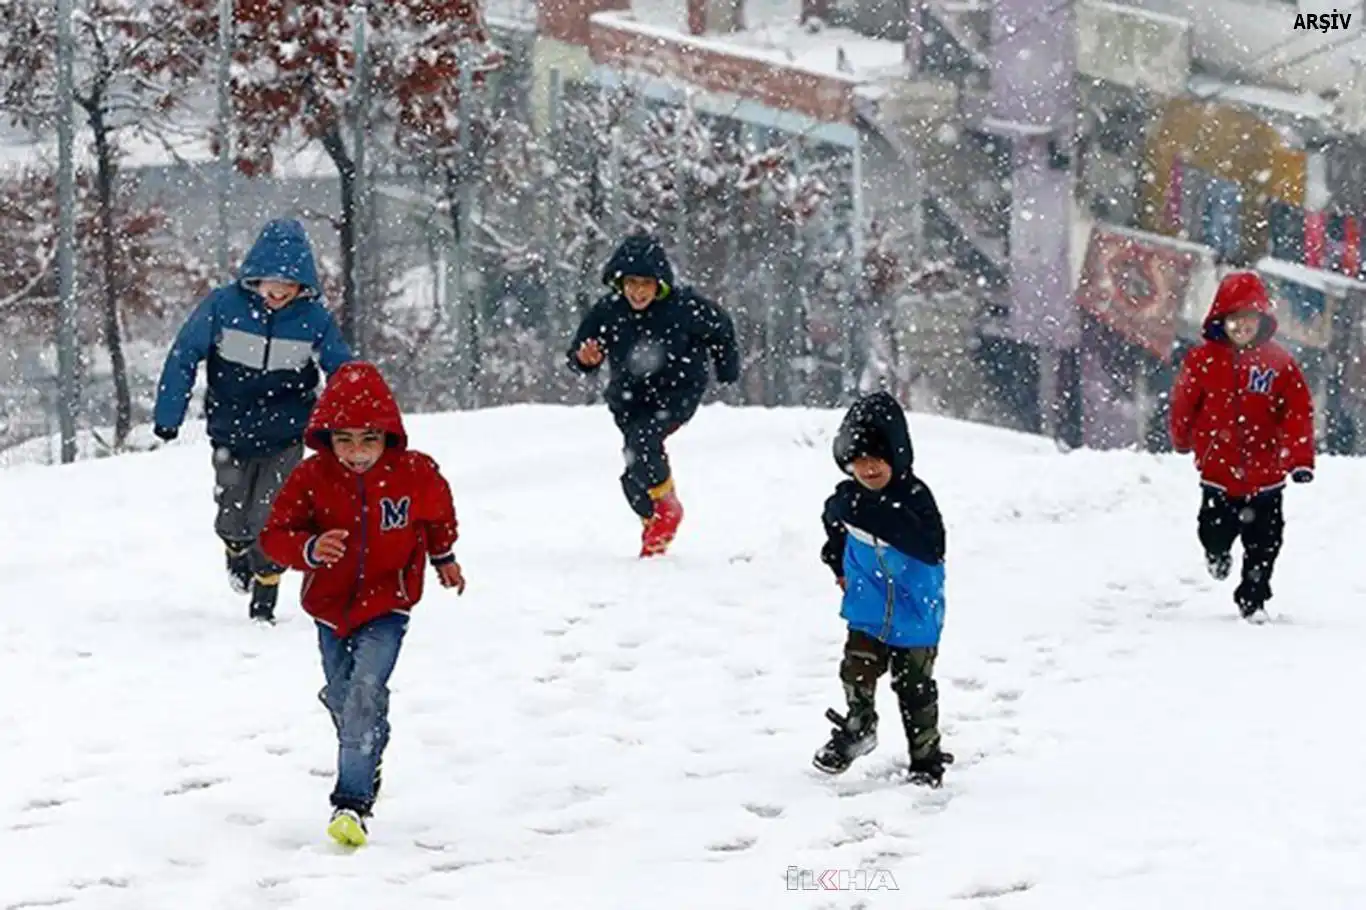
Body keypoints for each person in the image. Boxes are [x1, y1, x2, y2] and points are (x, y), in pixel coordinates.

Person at [258, 361, 465, 847]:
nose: (356, 453)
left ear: (389, 436)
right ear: (326, 438)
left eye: (368, 440)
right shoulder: (312, 477)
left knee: (365, 692)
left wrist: (444, 556)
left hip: (388, 603)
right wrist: (308, 549)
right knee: (342, 696)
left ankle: (351, 802)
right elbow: (275, 534)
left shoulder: (414, 473)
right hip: (329, 607)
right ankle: (366, 749)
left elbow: (437, 514)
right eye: (344, 440)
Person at [152, 217, 353, 622]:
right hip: (230, 431)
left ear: (304, 286)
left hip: (286, 435)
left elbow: (343, 370)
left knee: (272, 514)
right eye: (271, 284)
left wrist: (353, 421)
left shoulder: (313, 320)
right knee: (233, 512)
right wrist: (168, 413)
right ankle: (235, 549)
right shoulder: (224, 307)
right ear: (254, 278)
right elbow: (184, 354)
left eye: (289, 286)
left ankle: (267, 588)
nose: (278, 293)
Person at [566, 232, 740, 556]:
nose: (638, 291)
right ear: (619, 283)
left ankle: (667, 509)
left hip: (676, 393)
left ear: (659, 284)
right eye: (631, 283)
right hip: (629, 398)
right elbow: (580, 351)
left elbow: (721, 328)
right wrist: (583, 359)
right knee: (633, 472)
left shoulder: (684, 307)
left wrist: (726, 368)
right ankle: (653, 517)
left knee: (645, 442)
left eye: (645, 284)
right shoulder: (608, 311)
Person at [814, 391, 953, 788]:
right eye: (858, 460)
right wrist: (836, 561)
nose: (868, 468)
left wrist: (874, 513)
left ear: (897, 455)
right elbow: (834, 529)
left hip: (915, 612)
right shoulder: (845, 500)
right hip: (868, 607)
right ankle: (859, 729)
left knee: (915, 690)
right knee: (856, 669)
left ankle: (925, 760)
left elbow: (930, 545)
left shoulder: (914, 498)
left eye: (877, 458)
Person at [1169, 270, 1315, 623]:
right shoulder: (1201, 361)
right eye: (1234, 320)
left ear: (1261, 321)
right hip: (1219, 471)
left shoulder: (1280, 364)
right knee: (1213, 529)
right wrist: (1182, 437)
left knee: (1265, 543)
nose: (1241, 327)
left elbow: (1297, 412)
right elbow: (1184, 403)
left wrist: (1299, 459)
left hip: (1267, 476)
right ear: (1222, 321)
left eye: (1248, 319)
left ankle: (1253, 599)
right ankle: (1217, 553)